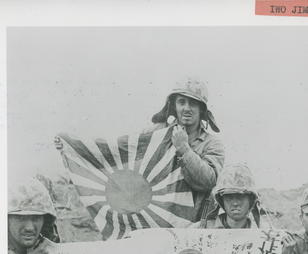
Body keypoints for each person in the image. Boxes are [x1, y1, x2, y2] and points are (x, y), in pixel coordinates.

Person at [54, 76, 225, 223]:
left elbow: (208, 181)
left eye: (193, 103)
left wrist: (184, 150)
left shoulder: (212, 144)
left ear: (202, 109)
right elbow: (120, 151)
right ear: (174, 106)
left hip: (193, 227)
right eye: (182, 102)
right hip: (154, 223)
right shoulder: (154, 134)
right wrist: (74, 146)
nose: (187, 108)